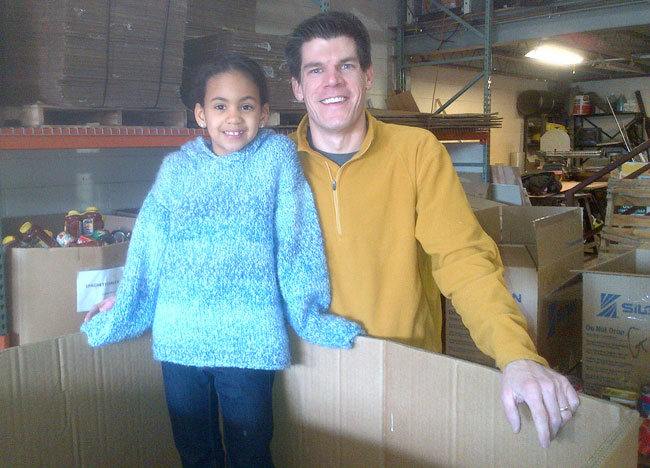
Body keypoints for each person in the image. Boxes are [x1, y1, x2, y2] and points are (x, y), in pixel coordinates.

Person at [284, 11, 579, 449]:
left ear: (367, 76)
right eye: (315, 70)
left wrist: (516, 354)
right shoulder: (276, 166)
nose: (332, 81)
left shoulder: (416, 152)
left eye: (346, 65)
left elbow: (462, 259)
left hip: (407, 372)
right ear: (297, 86)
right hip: (307, 376)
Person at [81, 52, 364, 468]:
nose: (233, 117)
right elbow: (149, 247)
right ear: (201, 114)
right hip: (181, 335)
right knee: (194, 452)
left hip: (249, 338)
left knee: (251, 452)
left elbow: (297, 241)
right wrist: (126, 303)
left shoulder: (276, 159)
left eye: (246, 106)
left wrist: (308, 315)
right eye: (220, 106)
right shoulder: (176, 169)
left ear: (264, 112)